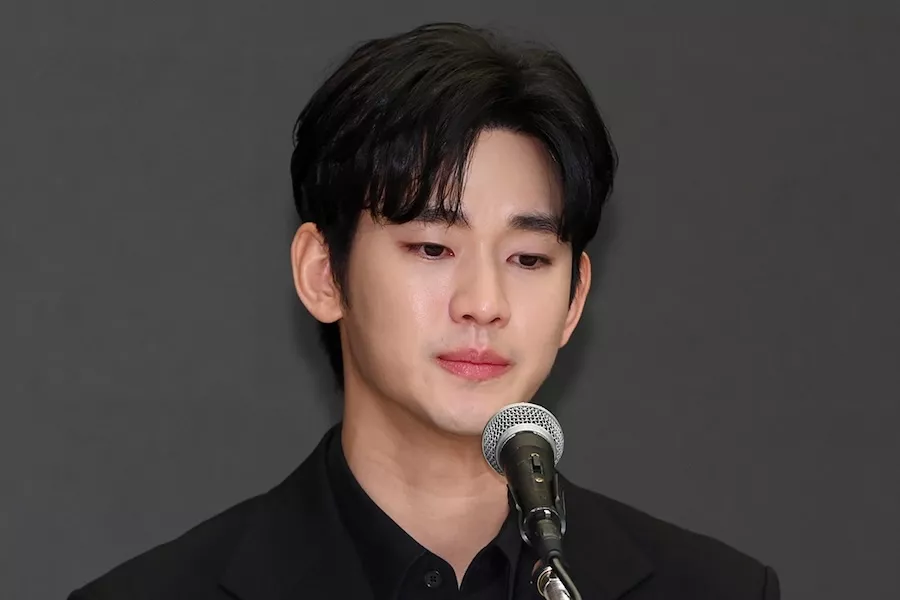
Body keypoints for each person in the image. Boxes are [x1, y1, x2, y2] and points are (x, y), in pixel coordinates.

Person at [68, 22, 780, 600]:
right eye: (433, 248)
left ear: (575, 299)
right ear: (323, 274)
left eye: (528, 259)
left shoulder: (714, 590)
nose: (484, 304)